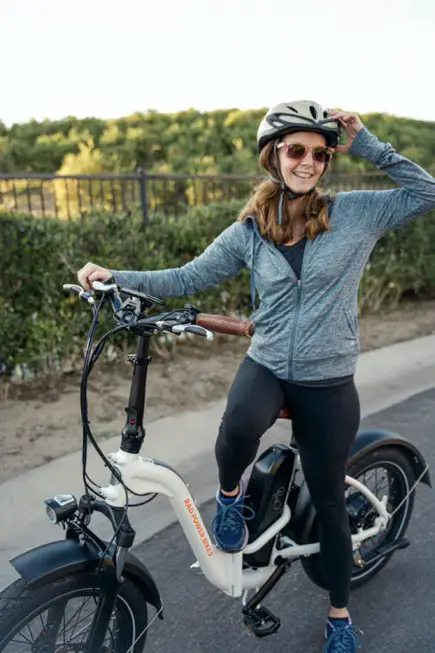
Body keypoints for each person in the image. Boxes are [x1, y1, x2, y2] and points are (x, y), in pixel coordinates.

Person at [77, 100, 435, 652]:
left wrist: (366, 142)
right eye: (297, 150)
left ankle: (339, 616)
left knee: (331, 504)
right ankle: (231, 497)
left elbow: (426, 194)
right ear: (275, 157)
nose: (309, 162)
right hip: (267, 361)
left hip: (328, 380)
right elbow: (188, 274)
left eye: (320, 153)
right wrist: (114, 277)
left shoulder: (356, 213)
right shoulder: (250, 232)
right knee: (238, 425)